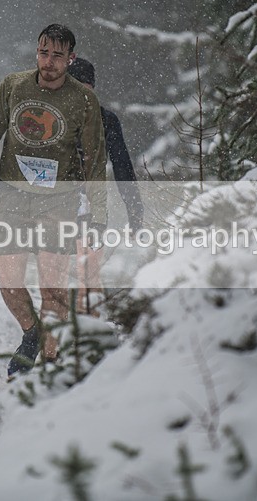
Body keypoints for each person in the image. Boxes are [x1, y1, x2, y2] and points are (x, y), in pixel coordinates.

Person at [0, 24, 108, 378]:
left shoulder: (83, 100)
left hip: (59, 201)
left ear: (70, 59)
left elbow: (95, 161)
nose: (48, 62)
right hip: (12, 195)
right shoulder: (13, 87)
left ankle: (48, 363)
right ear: (36, 52)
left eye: (57, 56)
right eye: (43, 53)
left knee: (53, 286)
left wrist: (97, 213)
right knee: (9, 282)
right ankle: (31, 333)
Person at [67, 57, 143, 317]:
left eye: (85, 89)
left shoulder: (106, 120)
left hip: (91, 207)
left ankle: (89, 337)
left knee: (88, 273)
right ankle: (61, 342)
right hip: (54, 204)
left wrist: (134, 209)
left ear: (92, 88)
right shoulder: (53, 118)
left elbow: (123, 166)